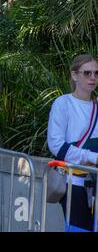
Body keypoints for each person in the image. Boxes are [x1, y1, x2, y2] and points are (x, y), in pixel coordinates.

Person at [48, 54, 98, 232]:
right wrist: (93, 157)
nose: (93, 78)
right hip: (74, 183)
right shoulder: (63, 104)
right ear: (75, 75)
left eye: (96, 73)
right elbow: (56, 145)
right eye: (87, 73)